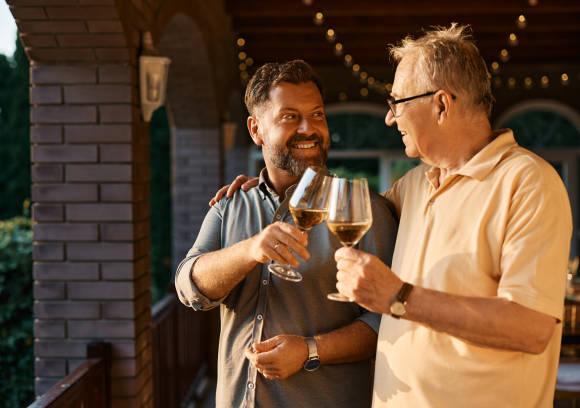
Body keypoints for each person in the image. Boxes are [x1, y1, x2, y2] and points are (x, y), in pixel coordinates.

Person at [215, 24, 572, 408]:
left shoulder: (528, 181)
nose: (390, 118)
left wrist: (399, 298)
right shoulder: (414, 185)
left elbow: (532, 329)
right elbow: (339, 204)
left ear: (441, 104)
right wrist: (270, 181)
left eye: (398, 102)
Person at [175, 60, 397, 408]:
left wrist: (310, 350)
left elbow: (389, 318)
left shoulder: (363, 210)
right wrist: (249, 251)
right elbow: (189, 287)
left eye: (318, 115)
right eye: (290, 116)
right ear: (256, 130)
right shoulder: (230, 206)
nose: (309, 128)